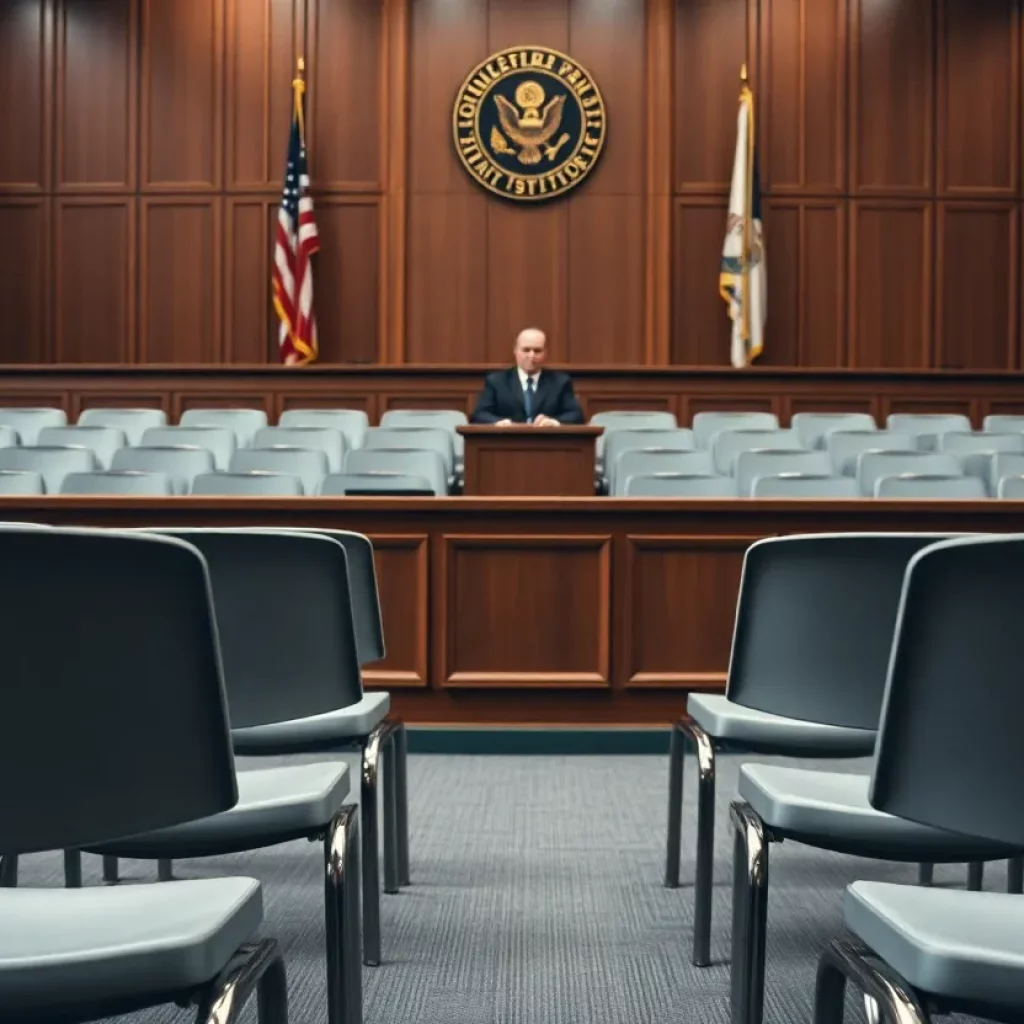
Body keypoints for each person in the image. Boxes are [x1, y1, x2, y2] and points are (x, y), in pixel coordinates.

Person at [471, 328, 584, 426]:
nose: (531, 356)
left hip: (548, 444)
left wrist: (554, 422)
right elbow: (479, 415)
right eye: (526, 350)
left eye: (537, 351)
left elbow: (576, 415)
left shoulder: (560, 382)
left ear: (545, 353)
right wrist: (498, 422)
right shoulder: (497, 381)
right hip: (506, 443)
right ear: (515, 351)